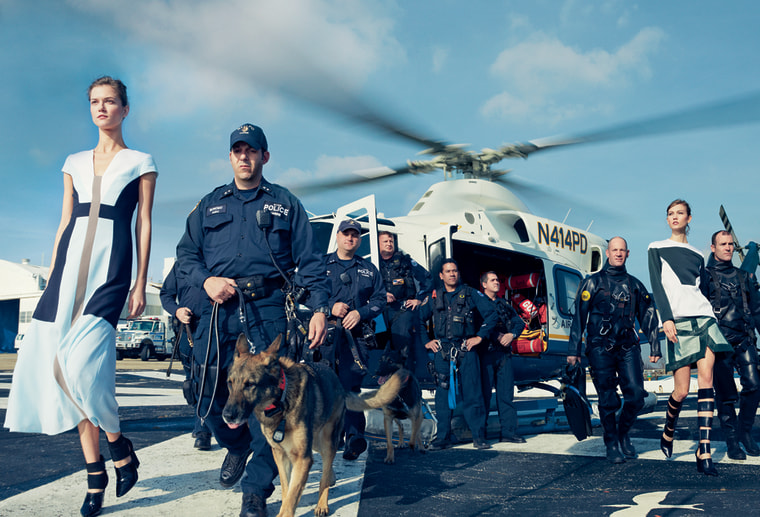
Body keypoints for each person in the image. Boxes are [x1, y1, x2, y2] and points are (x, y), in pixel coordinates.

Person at [4, 76, 156, 516]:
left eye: (110, 102)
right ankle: (97, 477)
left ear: (125, 109)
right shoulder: (72, 162)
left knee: (84, 369)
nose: (102, 108)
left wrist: (140, 280)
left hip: (110, 273)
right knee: (61, 374)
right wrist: (52, 276)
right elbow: (65, 221)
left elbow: (143, 223)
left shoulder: (141, 161)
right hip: (66, 274)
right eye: (95, 102)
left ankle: (118, 445)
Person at [176, 123, 330, 517]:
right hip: (218, 310)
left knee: (270, 399)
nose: (244, 157)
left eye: (252, 150)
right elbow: (186, 255)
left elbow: (310, 263)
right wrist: (206, 280)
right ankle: (238, 447)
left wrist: (318, 310)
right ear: (230, 157)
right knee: (204, 393)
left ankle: (256, 491)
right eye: (237, 151)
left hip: (268, 307)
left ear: (265, 156)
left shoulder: (285, 203)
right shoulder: (209, 204)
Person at [648, 199, 732, 476]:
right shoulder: (656, 248)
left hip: (703, 318)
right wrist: (666, 319)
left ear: (689, 219)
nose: (674, 217)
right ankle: (668, 429)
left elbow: (701, 290)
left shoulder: (697, 255)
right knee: (682, 391)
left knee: (706, 381)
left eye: (679, 213)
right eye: (670, 213)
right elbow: (658, 287)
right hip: (678, 321)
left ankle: (704, 449)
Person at [568, 237, 660, 463]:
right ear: (607, 253)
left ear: (627, 254)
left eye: (622, 250)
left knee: (637, 395)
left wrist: (655, 344)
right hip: (599, 347)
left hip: (628, 346)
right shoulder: (592, 283)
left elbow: (647, 315)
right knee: (608, 398)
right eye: (614, 250)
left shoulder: (636, 285)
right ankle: (611, 442)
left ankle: (622, 433)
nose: (618, 254)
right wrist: (574, 350)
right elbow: (578, 317)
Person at [324, 219, 387, 460]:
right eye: (346, 234)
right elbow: (307, 293)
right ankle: (333, 436)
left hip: (356, 338)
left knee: (350, 388)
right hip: (327, 338)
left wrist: (360, 313)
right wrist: (330, 306)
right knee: (328, 388)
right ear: (338, 236)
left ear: (359, 240)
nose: (350, 238)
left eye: (355, 235)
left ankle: (353, 439)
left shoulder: (369, 269)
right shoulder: (321, 265)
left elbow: (380, 300)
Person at [423, 259, 498, 450]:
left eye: (454, 271)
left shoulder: (471, 293)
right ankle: (442, 437)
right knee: (442, 397)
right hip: (443, 352)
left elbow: (492, 314)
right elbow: (417, 320)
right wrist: (427, 340)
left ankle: (478, 437)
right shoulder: (434, 296)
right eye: (448, 271)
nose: (452, 274)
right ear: (441, 275)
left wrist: (479, 337)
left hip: (466, 350)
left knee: (474, 394)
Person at [705, 230, 760, 459]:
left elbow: (757, 310)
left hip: (744, 338)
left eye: (730, 244)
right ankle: (731, 441)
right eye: (723, 244)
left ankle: (744, 433)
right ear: (713, 248)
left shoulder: (745, 276)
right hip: (719, 343)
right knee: (726, 394)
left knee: (755, 386)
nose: (728, 248)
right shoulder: (705, 277)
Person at [159, 261, 214, 450]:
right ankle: (200, 419)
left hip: (212, 328)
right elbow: (165, 294)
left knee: (207, 377)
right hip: (186, 330)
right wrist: (177, 310)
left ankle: (203, 430)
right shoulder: (180, 265)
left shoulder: (219, 259)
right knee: (192, 381)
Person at [479, 271, 526, 444]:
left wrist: (512, 335)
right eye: (492, 280)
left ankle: (508, 432)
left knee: (506, 395)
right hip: (485, 354)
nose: (497, 282)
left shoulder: (503, 304)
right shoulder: (478, 303)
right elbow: (477, 325)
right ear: (484, 284)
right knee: (483, 395)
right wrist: (498, 336)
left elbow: (519, 323)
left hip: (504, 355)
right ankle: (480, 434)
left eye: (498, 279)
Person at [377, 231, 432, 373]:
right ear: (377, 244)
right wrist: (382, 294)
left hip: (401, 310)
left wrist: (418, 299)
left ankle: (406, 384)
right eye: (385, 241)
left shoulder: (406, 262)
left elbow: (428, 280)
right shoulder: (373, 263)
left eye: (391, 241)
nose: (389, 244)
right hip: (379, 312)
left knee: (403, 349)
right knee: (379, 349)